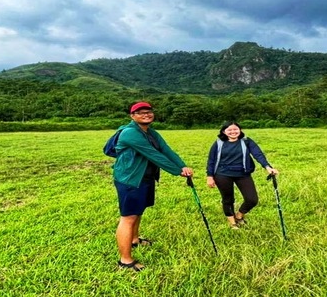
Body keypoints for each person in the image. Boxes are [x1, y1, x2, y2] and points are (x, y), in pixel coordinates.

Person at [112, 101, 194, 272]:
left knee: (138, 211)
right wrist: (177, 171)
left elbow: (166, 150)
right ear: (132, 116)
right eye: (140, 112)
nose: (146, 114)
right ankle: (125, 260)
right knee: (128, 217)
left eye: (148, 111)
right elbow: (154, 155)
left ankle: (134, 240)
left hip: (145, 178)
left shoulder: (151, 132)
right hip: (130, 180)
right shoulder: (129, 133)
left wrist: (183, 166)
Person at [206, 121, 278, 229]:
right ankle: (232, 223)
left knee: (252, 199)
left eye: (235, 129)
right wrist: (210, 176)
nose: (233, 131)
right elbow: (211, 160)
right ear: (224, 132)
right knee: (228, 199)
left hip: (243, 173)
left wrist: (268, 167)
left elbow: (258, 154)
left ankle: (239, 216)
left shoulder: (246, 141)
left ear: (240, 130)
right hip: (222, 174)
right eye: (229, 130)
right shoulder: (218, 143)